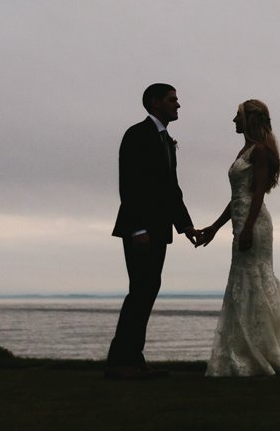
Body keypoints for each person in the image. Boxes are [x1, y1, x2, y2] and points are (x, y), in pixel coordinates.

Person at [196, 99, 280, 376]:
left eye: (238, 116)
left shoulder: (261, 152)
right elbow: (236, 199)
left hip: (254, 224)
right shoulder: (245, 150)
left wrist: (247, 228)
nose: (233, 120)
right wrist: (216, 227)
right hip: (241, 221)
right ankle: (243, 352)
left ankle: (264, 355)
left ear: (250, 120)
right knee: (242, 284)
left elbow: (257, 195)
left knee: (255, 281)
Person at [106, 83, 197, 380]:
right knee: (140, 291)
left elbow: (171, 188)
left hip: (159, 230)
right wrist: (138, 228)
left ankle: (133, 358)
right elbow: (129, 184)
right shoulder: (137, 134)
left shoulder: (165, 139)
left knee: (147, 290)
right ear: (155, 103)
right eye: (173, 100)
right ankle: (121, 362)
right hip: (141, 231)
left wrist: (185, 226)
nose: (178, 105)